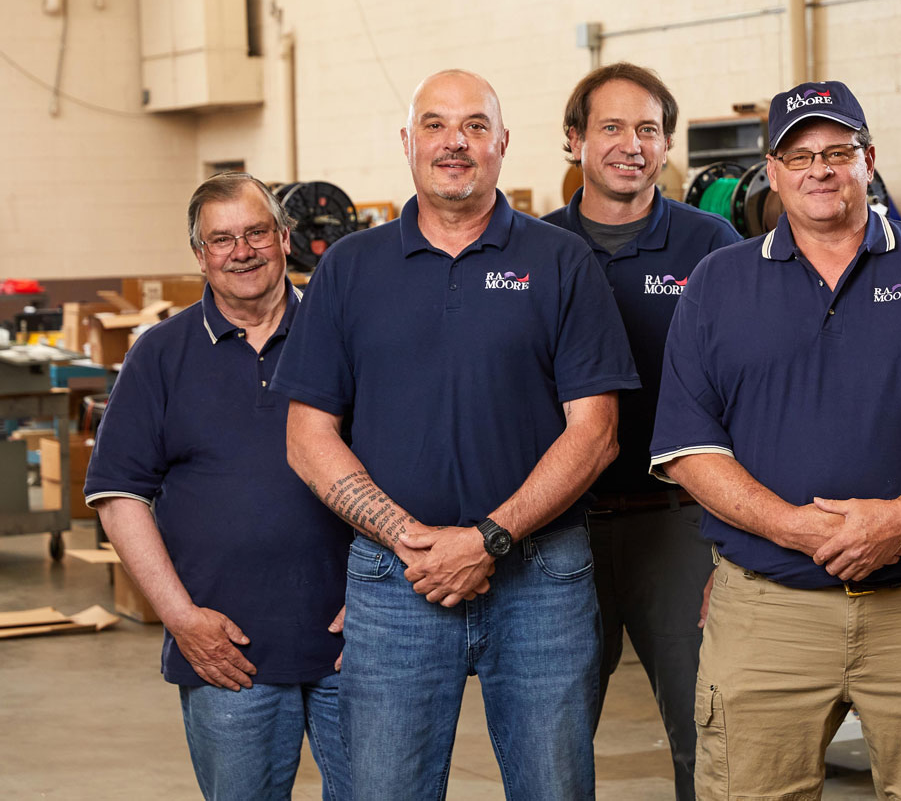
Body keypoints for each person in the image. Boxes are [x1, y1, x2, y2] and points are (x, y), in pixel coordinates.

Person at [649, 79, 901, 799]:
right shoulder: (717, 284)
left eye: (837, 150)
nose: (819, 169)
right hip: (769, 609)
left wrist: (900, 519)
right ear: (772, 172)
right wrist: (796, 529)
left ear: (868, 159)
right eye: (798, 156)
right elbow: (689, 446)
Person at [272, 69, 640, 801]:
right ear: (408, 142)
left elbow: (596, 432)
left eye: (475, 125)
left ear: (502, 143)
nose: (455, 143)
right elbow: (307, 436)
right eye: (436, 125)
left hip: (540, 576)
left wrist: (488, 539)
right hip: (394, 581)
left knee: (554, 787)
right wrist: (412, 540)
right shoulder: (350, 268)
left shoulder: (560, 261)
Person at [83, 173, 352, 801]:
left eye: (257, 232)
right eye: (222, 239)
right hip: (226, 651)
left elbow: (406, 471)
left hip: (356, 643)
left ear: (286, 238)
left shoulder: (344, 335)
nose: (242, 250)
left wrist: (386, 606)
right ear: (200, 255)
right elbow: (120, 497)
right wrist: (181, 619)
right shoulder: (159, 354)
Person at [542, 61, 739, 800]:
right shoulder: (537, 249)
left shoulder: (711, 243)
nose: (631, 144)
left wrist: (733, 545)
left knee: (709, 739)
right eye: (612, 126)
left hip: (680, 527)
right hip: (561, 532)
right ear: (574, 139)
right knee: (551, 747)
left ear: (666, 146)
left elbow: (747, 389)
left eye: (648, 129)